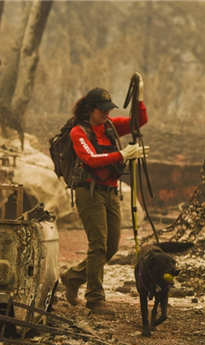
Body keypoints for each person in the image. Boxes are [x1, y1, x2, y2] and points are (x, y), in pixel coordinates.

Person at [61, 75, 148, 315]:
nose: (106, 115)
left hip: (110, 191)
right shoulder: (78, 132)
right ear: (90, 110)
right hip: (88, 193)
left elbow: (139, 121)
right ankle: (95, 298)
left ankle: (72, 276)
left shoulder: (109, 127)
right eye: (102, 111)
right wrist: (123, 155)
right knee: (97, 245)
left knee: (111, 247)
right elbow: (90, 158)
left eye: (108, 110)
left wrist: (139, 96)